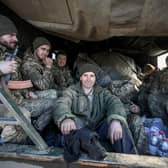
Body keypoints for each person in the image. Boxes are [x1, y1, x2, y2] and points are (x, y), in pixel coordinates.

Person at [54, 63, 137, 154]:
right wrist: (66, 117)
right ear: (81, 78)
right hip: (80, 131)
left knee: (120, 124)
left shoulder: (102, 92)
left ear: (95, 78)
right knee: (75, 126)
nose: (89, 79)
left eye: (92, 76)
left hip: (98, 130)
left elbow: (114, 102)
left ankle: (129, 158)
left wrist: (116, 120)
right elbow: (62, 103)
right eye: (85, 75)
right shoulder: (71, 91)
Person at [0, 15, 56, 144]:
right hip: (5, 104)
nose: (16, 39)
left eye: (16, 35)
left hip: (16, 99)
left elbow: (13, 83)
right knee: (24, 115)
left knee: (54, 101)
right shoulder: (28, 63)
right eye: (11, 35)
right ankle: (11, 149)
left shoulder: (10, 55)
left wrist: (26, 92)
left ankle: (34, 132)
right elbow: (43, 86)